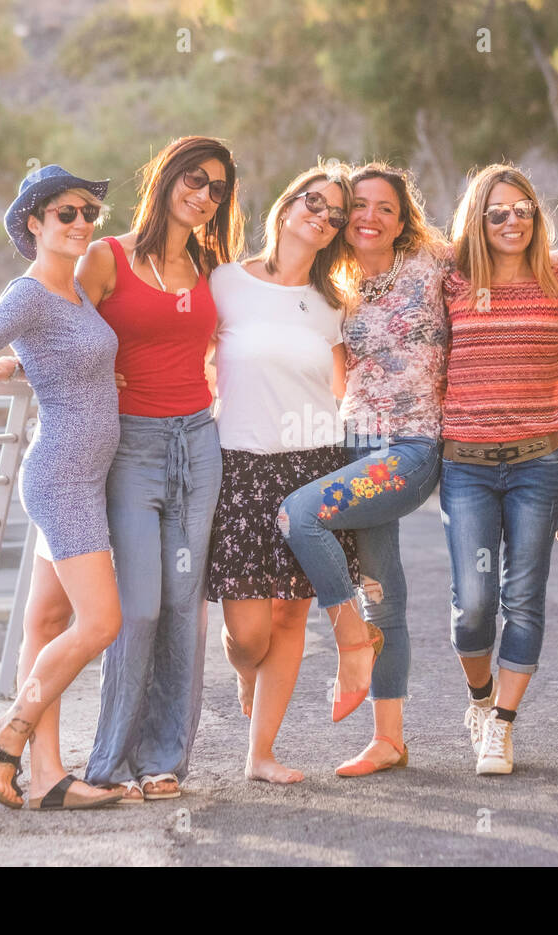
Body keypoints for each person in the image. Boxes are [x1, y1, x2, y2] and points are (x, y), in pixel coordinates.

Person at [0, 137, 244, 802]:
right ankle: (105, 758)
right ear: (165, 181)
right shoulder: (105, 258)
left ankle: (156, 759)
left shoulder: (211, 263)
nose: (205, 195)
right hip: (120, 451)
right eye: (195, 179)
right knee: (133, 610)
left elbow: (76, 340)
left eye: (218, 187)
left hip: (197, 441)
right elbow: (57, 327)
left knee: (180, 606)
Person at [0, 164, 125, 810]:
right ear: (34, 223)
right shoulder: (28, 292)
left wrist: (17, 364)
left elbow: (54, 353)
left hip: (85, 477)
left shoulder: (72, 293)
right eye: (66, 214)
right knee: (101, 622)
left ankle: (47, 777)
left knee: (49, 620)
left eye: (88, 214)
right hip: (61, 479)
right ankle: (7, 729)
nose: (81, 224)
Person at [278, 162, 450, 776]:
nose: (370, 217)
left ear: (403, 221)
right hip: (352, 445)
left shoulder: (435, 266)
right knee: (384, 593)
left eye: (385, 207)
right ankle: (390, 739)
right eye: (359, 206)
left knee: (300, 515)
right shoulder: (338, 287)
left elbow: (512, 250)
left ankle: (351, 642)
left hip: (409, 450)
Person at [209, 164, 359, 784]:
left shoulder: (334, 305)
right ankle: (248, 674)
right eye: (313, 202)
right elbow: (186, 354)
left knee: (292, 614)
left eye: (335, 215)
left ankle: (261, 753)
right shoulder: (225, 281)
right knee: (248, 633)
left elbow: (344, 389)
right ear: (287, 203)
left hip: (313, 466)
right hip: (241, 464)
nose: (321, 217)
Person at [439, 164, 558, 775]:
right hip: (466, 466)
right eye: (497, 212)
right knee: (473, 603)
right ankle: (478, 700)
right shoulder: (450, 283)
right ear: (477, 220)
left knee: (523, 598)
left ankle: (502, 727)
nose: (512, 222)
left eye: (523, 210)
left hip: (538, 465)